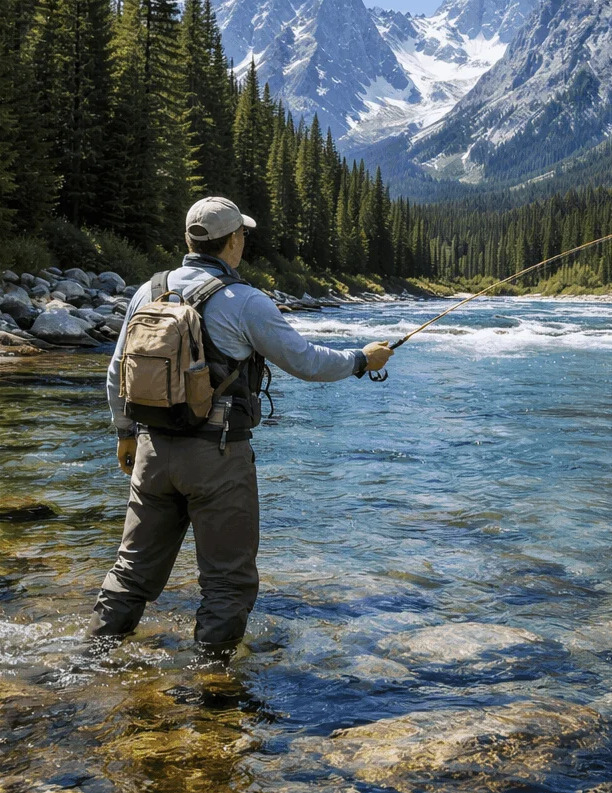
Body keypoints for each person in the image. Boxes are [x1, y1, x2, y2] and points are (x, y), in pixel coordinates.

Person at [91, 196, 392, 654]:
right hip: (217, 453)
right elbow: (305, 361)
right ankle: (214, 689)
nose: (244, 242)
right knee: (228, 582)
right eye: (243, 235)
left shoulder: (148, 292)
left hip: (152, 453)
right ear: (233, 241)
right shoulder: (245, 301)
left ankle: (93, 657)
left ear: (189, 240)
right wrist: (360, 360)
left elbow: (117, 371)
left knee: (131, 571)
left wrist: (125, 433)